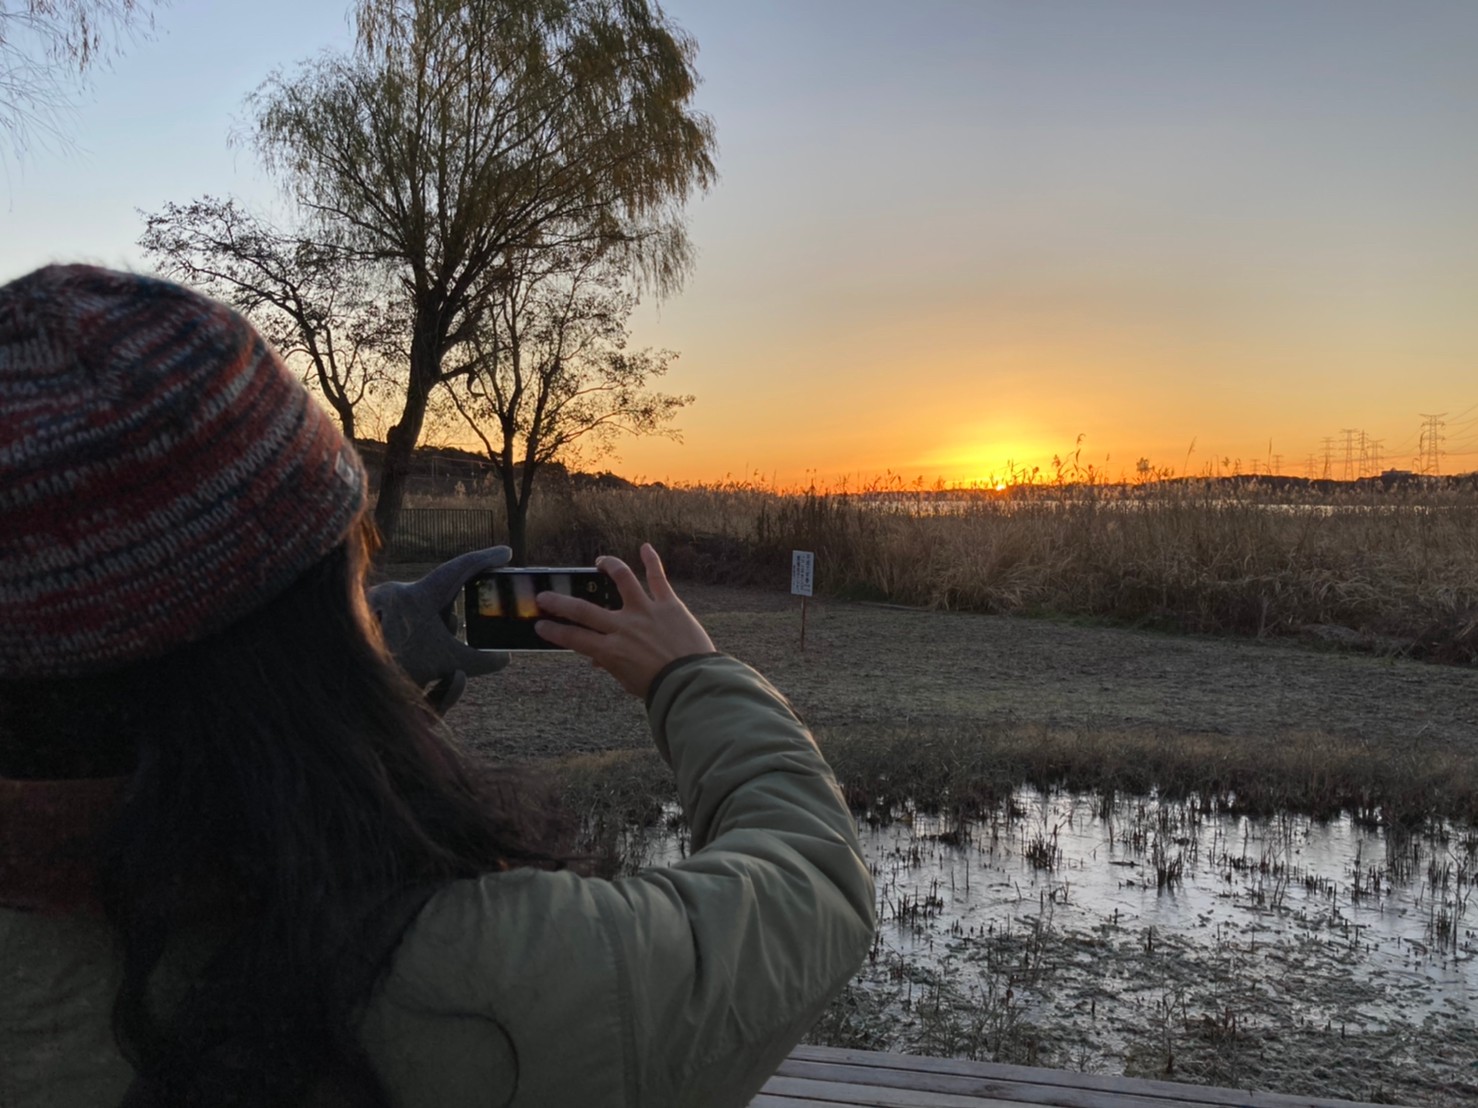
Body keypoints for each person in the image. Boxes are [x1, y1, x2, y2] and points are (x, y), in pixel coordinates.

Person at [0, 265, 875, 1107]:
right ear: (307, 623)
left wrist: (381, 643)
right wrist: (690, 675)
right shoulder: (503, 986)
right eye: (348, 562)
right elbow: (813, 886)